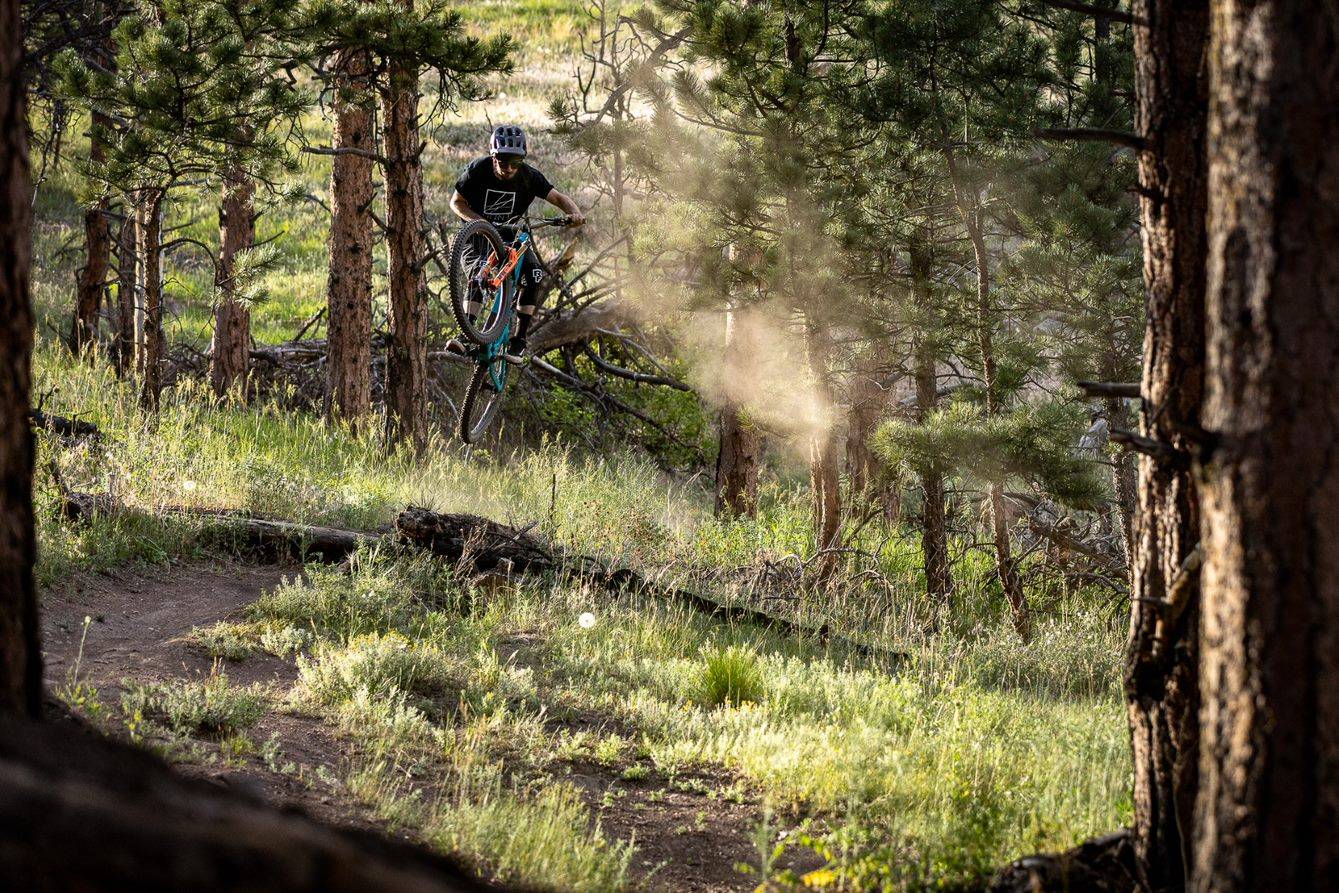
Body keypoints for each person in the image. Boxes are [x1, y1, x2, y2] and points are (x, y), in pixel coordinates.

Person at [450, 124, 584, 358]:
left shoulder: (529, 176)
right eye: (503, 162)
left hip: (510, 238)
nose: (509, 168)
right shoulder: (477, 170)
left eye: (516, 162)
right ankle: (466, 333)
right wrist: (480, 222)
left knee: (535, 276)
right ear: (493, 157)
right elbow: (456, 203)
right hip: (477, 235)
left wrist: (574, 213)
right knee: (481, 272)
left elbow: (559, 197)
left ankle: (519, 340)